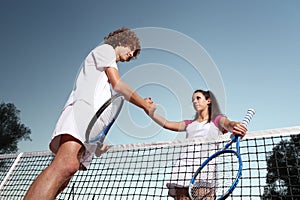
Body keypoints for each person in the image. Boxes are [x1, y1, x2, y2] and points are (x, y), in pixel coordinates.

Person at [24, 27, 154, 200]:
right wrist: (144, 104)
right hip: (81, 112)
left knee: (65, 179)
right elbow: (119, 85)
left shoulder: (106, 70)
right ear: (122, 41)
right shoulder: (106, 50)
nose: (131, 55)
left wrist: (99, 138)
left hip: (91, 123)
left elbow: (101, 99)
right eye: (132, 49)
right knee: (65, 165)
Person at [148, 89, 247, 200]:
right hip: (182, 170)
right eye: (193, 100)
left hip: (205, 172)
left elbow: (229, 124)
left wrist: (236, 126)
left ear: (208, 101)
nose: (195, 101)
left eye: (198, 98)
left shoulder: (217, 119)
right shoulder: (189, 124)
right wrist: (151, 113)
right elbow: (167, 124)